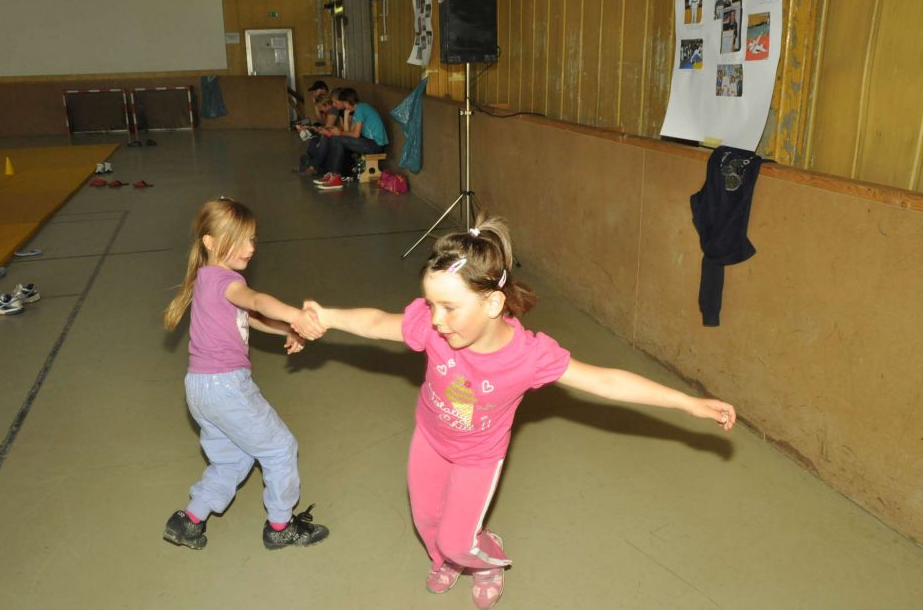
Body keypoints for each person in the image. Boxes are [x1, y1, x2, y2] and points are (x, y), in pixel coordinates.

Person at [303, 213, 737, 608]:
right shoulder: (436, 330)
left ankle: (484, 560)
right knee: (425, 519)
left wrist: (688, 402)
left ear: (492, 304)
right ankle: (449, 558)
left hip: (478, 456)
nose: (435, 320)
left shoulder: (528, 357)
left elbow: (605, 381)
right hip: (431, 438)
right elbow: (379, 322)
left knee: (457, 538)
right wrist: (327, 315)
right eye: (432, 304)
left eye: (449, 307)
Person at [161, 197, 330, 551]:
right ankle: (280, 525)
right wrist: (295, 316)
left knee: (232, 458)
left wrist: (285, 331)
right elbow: (256, 301)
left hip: (200, 388)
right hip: (226, 387)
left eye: (252, 239)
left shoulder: (206, 280)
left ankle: (190, 520)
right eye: (239, 239)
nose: (250, 247)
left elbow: (248, 317)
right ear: (209, 242)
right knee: (280, 448)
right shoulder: (227, 281)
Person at [311, 87, 389, 190]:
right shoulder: (357, 111)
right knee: (335, 137)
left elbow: (355, 135)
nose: (343, 106)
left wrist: (340, 132)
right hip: (369, 142)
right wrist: (345, 118)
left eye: (344, 103)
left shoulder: (361, 108)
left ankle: (336, 177)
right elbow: (349, 132)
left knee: (337, 139)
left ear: (348, 101)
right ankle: (333, 174)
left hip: (376, 145)